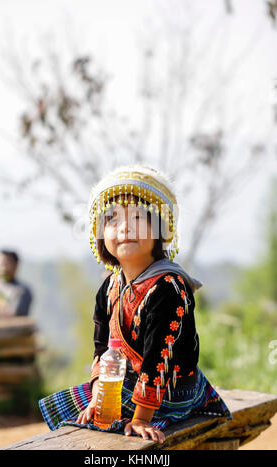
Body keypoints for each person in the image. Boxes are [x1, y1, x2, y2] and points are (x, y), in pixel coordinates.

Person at [38, 164, 231, 443]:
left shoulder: (169, 287)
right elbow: (101, 347)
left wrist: (140, 418)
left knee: (103, 425)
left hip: (172, 391)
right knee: (75, 405)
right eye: (113, 219)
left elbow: (158, 361)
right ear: (101, 233)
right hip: (128, 381)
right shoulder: (110, 287)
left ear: (160, 228)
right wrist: (99, 396)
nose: (125, 227)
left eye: (139, 217)